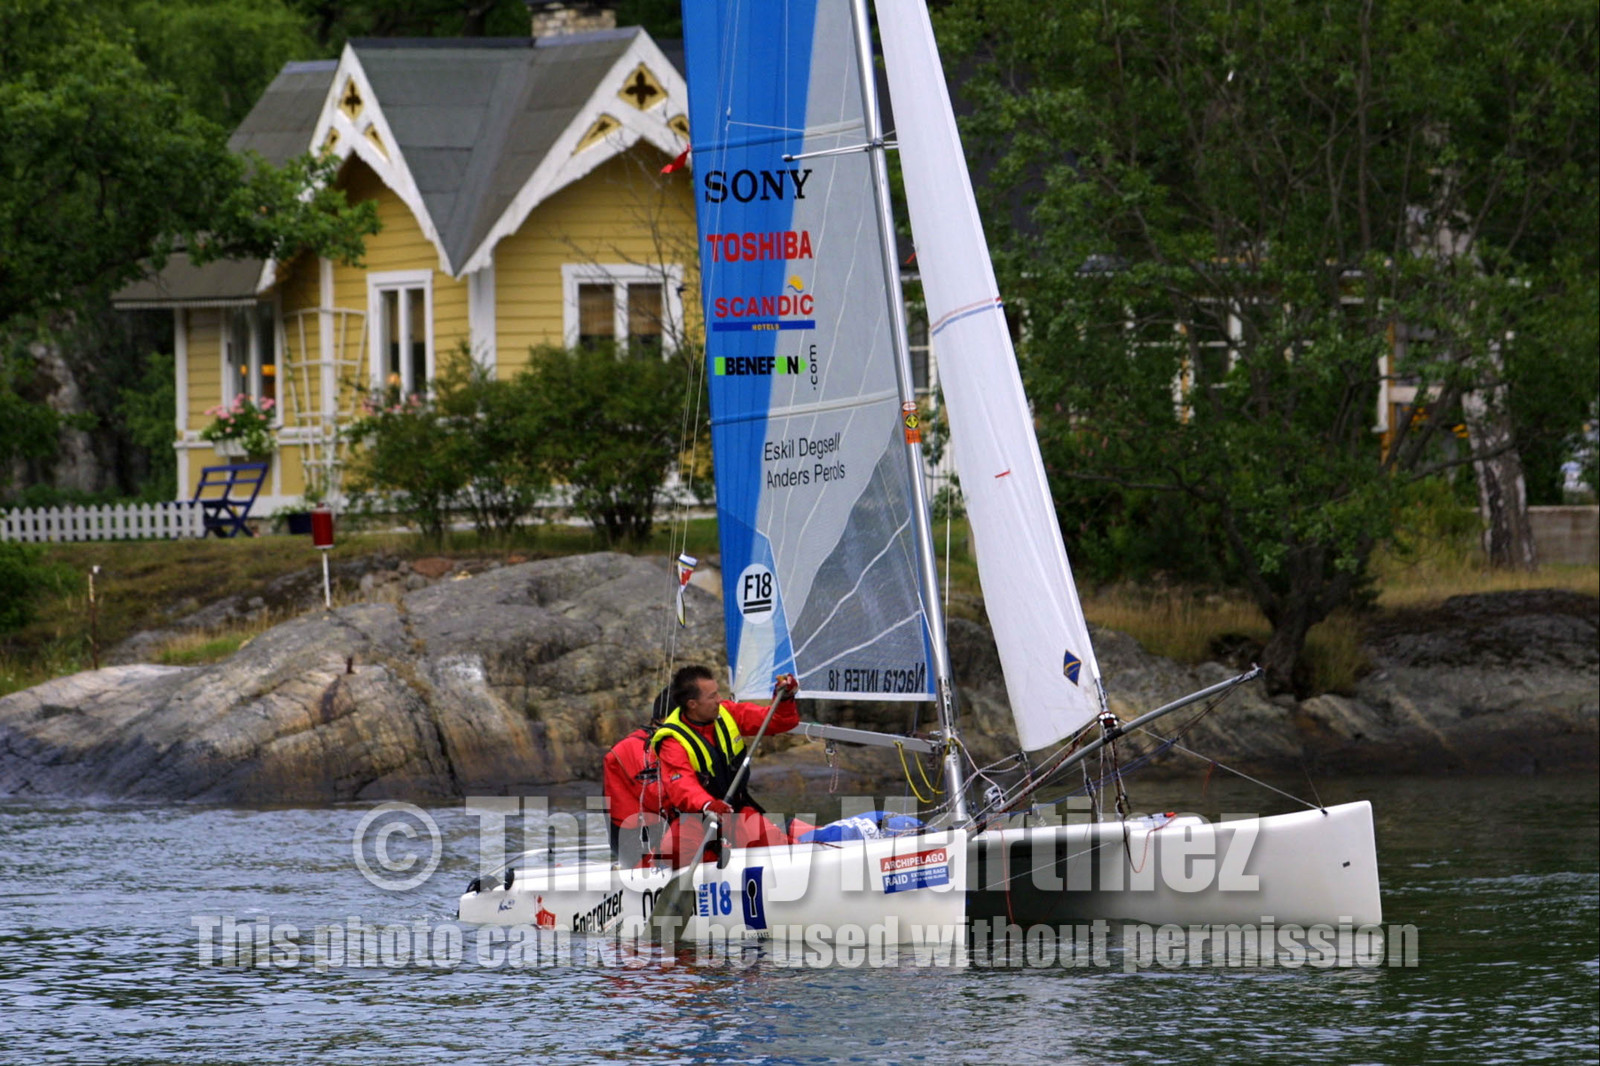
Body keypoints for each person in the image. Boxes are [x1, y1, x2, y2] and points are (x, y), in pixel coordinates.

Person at [647, 663, 801, 866]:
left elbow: (778, 721)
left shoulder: (726, 712)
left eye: (717, 693)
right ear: (693, 704)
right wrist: (708, 804)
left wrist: (785, 697)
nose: (719, 700)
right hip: (696, 818)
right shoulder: (672, 739)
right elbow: (681, 784)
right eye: (712, 696)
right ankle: (712, 875)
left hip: (735, 811)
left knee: (770, 843)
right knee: (672, 850)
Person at [601, 687, 672, 863]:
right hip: (640, 846)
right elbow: (656, 797)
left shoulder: (662, 743)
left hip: (659, 836)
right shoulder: (634, 748)